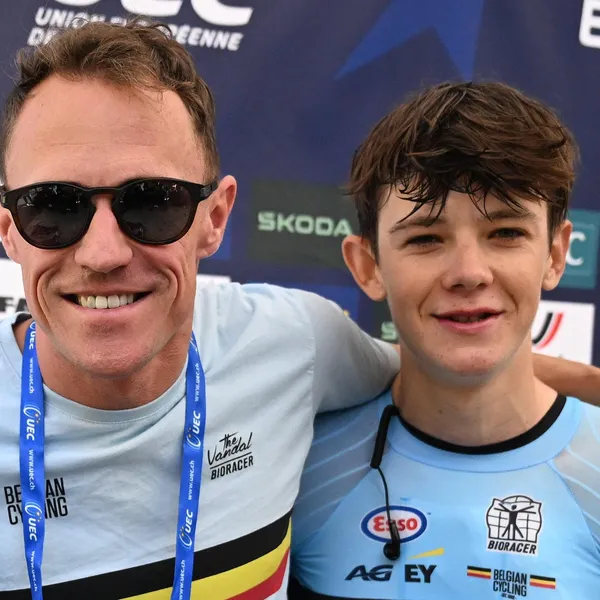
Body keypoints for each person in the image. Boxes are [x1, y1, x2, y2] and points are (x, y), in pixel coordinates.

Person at [0, 22, 595, 600]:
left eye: (153, 203)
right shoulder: (321, 448)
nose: (103, 253)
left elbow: (427, 360)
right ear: (9, 231)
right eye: (52, 207)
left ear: (215, 218)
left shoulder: (294, 345)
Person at [289, 81, 600, 599]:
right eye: (426, 238)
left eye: (506, 233)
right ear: (367, 266)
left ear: (554, 254)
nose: (469, 273)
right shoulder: (297, 466)